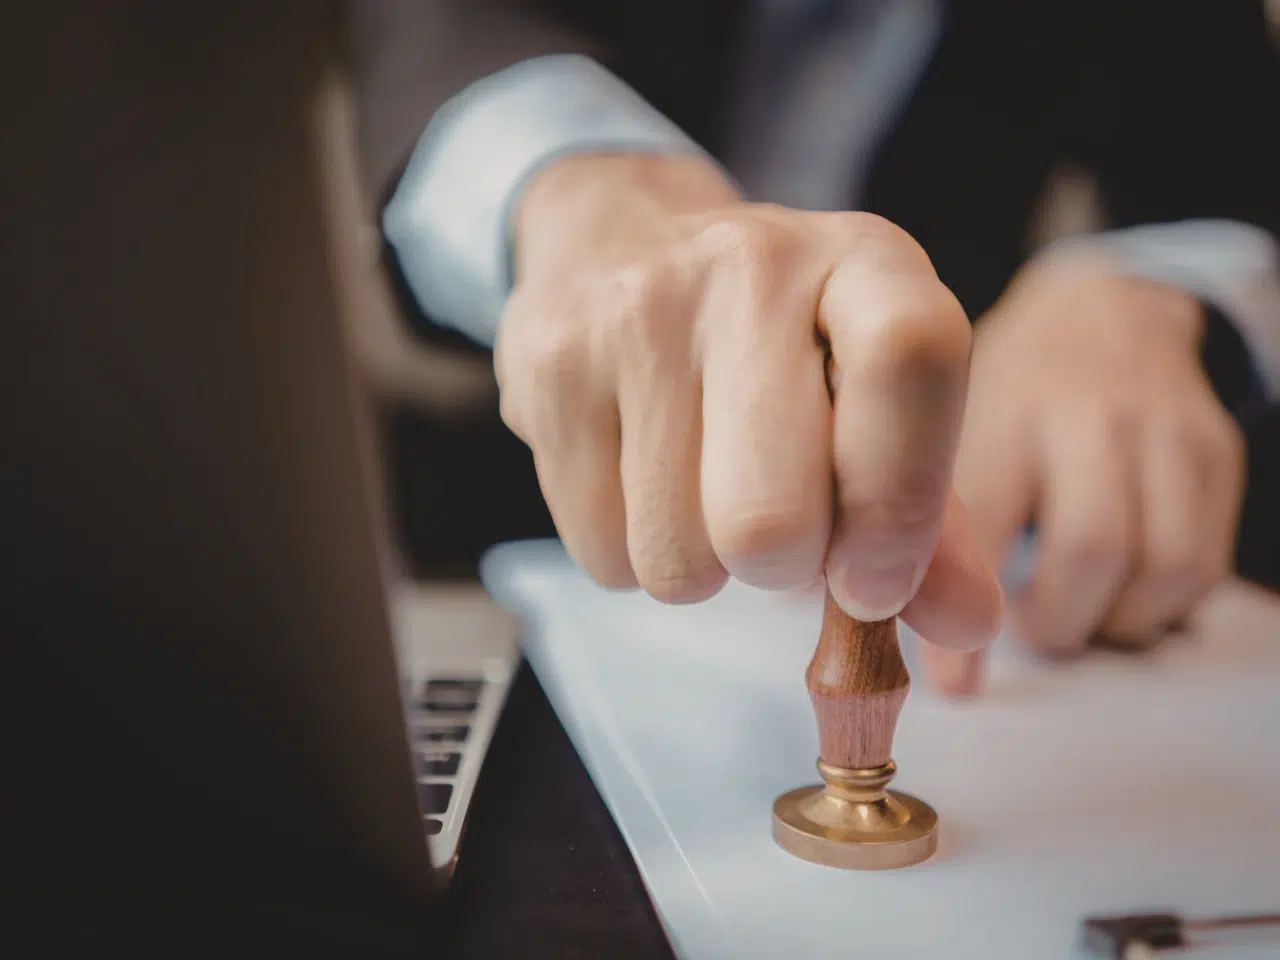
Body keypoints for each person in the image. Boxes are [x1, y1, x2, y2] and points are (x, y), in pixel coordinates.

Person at [355, 0, 1280, 697]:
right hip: (499, 546)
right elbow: (429, 30)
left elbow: (1225, 159)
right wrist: (583, 196)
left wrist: (1151, 286)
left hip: (956, 510)